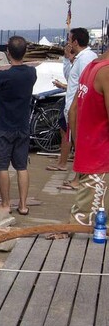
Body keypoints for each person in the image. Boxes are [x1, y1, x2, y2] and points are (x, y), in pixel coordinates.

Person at [0, 36, 37, 215]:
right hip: (22, 126)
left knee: (2, 166)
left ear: (8, 53)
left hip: (3, 126)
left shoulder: (4, 76)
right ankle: (23, 205)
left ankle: (5, 204)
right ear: (25, 52)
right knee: (21, 167)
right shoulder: (31, 73)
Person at [49, 27, 97, 183]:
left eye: (69, 40)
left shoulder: (85, 59)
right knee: (75, 140)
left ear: (75, 42)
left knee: (79, 142)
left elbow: (84, 84)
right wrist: (67, 59)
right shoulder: (81, 58)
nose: (68, 43)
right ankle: (78, 176)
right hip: (73, 105)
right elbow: (72, 77)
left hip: (78, 106)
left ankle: (78, 178)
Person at [68, 50, 109, 225]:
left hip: (90, 154)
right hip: (102, 161)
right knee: (88, 228)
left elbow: (73, 111)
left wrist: (80, 148)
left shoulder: (91, 68)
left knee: (85, 221)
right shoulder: (106, 71)